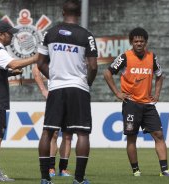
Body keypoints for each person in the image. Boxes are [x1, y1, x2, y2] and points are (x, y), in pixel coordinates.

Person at [37, 0, 98, 183]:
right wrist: (87, 83)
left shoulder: (49, 33)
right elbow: (93, 67)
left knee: (48, 132)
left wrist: (54, 77)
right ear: (79, 14)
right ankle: (78, 179)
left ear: (63, 12)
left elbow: (40, 64)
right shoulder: (87, 36)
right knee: (82, 133)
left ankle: (45, 178)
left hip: (56, 88)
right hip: (78, 87)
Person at [103, 27, 169, 177]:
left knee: (159, 135)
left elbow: (160, 76)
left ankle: (165, 170)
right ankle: (136, 171)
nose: (139, 43)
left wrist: (157, 93)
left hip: (148, 105)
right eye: (136, 41)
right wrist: (117, 92)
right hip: (131, 104)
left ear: (146, 42)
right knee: (132, 137)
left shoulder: (152, 57)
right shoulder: (125, 57)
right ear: (131, 42)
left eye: (142, 41)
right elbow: (107, 73)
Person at [0, 20, 38, 181]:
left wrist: (10, 74)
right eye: (9, 34)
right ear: (1, 35)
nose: (11, 36)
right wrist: (36, 58)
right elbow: (14, 63)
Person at [32, 64, 72, 177]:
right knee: (53, 134)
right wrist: (43, 90)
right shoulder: (52, 50)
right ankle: (51, 168)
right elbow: (35, 68)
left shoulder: (73, 53)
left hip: (72, 98)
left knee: (68, 135)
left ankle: (63, 169)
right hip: (55, 97)